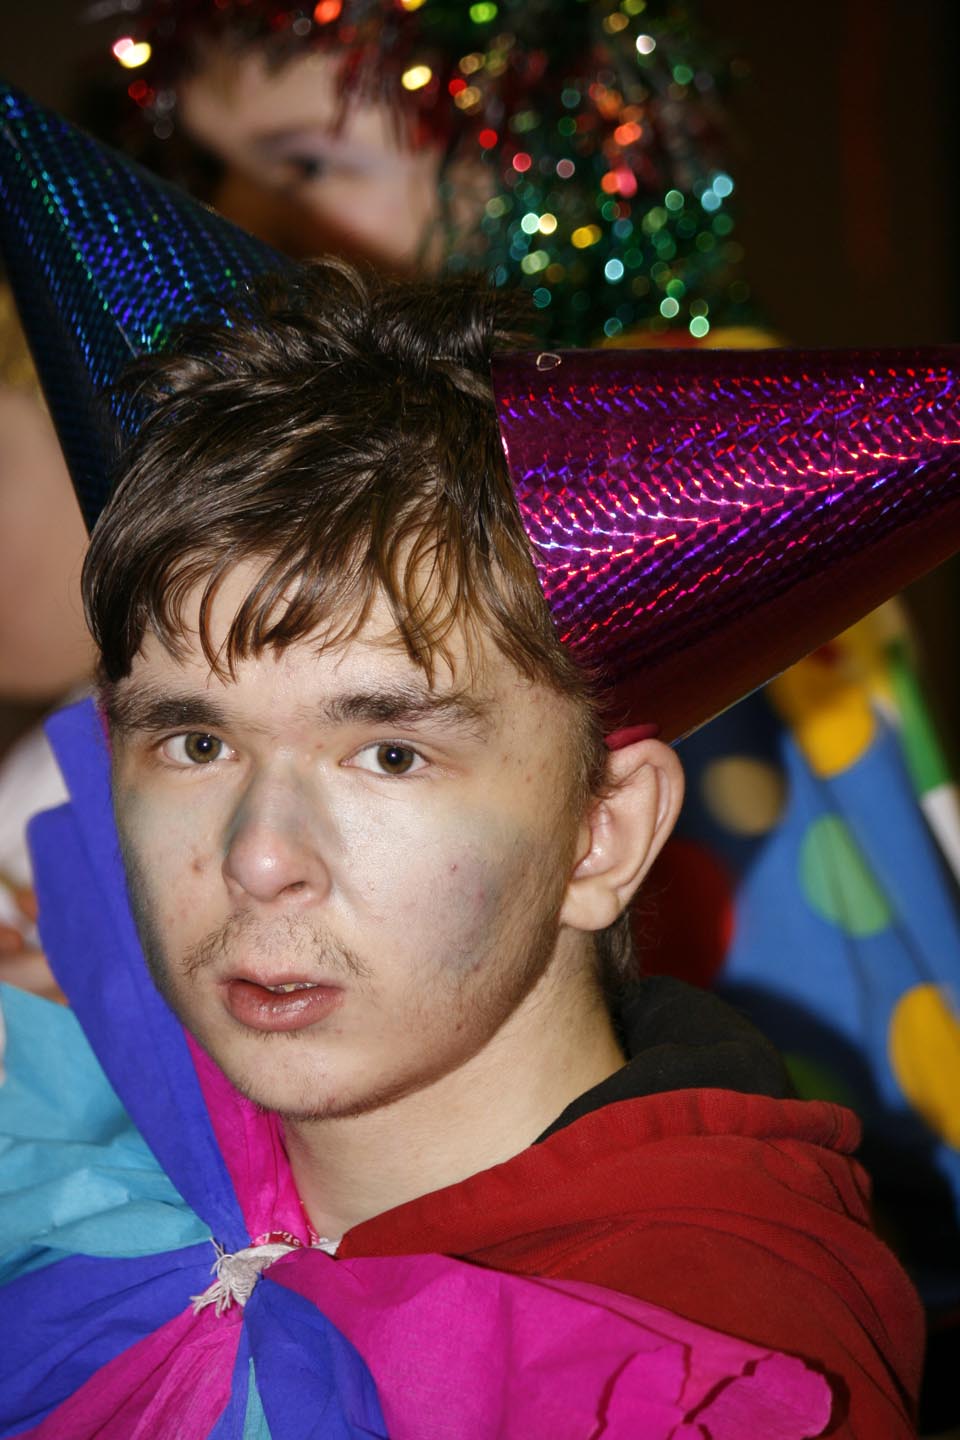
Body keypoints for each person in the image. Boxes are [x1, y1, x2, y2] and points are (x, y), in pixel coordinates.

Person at [0, 82, 942, 1437]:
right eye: (195, 740)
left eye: (389, 752)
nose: (258, 858)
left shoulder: (698, 1367)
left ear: (604, 833)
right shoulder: (109, 1156)